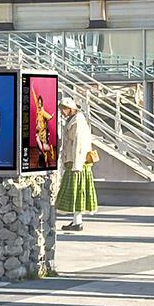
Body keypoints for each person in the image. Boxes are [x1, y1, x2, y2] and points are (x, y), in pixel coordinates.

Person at [56, 97, 97, 232]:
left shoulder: (78, 122)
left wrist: (76, 165)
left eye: (64, 109)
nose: (62, 112)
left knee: (76, 192)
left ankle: (77, 221)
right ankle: (77, 221)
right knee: (78, 193)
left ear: (70, 109)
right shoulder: (75, 121)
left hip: (77, 163)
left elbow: (79, 145)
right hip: (76, 162)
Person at [32, 88, 56, 168]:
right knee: (40, 150)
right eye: (38, 103)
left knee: (42, 150)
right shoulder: (37, 110)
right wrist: (32, 89)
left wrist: (51, 116)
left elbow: (49, 117)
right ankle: (42, 163)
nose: (38, 104)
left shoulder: (42, 111)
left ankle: (43, 163)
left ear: (42, 103)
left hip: (43, 133)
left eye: (40, 103)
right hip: (38, 132)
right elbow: (35, 98)